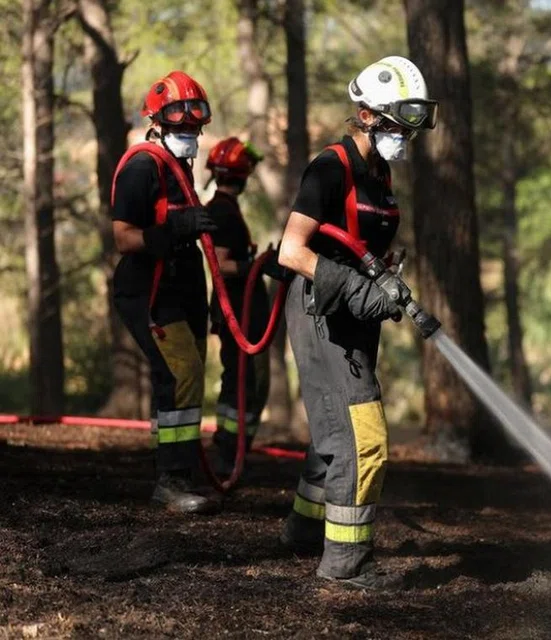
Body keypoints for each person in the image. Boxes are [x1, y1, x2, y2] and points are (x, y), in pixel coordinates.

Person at [274, 55, 438, 589]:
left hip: (354, 315)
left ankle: (305, 528)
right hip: (321, 310)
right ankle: (347, 561)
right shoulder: (330, 168)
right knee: (362, 436)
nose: (403, 138)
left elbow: (364, 246)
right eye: (396, 126)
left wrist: (385, 278)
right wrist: (354, 287)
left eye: (409, 130)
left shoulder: (379, 173)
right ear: (366, 115)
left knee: (333, 425)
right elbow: (291, 251)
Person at [111, 70, 219, 514]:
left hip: (183, 283)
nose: (189, 132)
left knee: (185, 372)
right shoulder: (142, 166)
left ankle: (177, 467)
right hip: (149, 288)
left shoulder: (181, 168)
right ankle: (171, 481)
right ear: (156, 122)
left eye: (195, 124)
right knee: (181, 372)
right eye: (181, 124)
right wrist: (173, 228)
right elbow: (123, 238)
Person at [204, 137, 270, 480]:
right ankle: (228, 451)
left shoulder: (225, 208)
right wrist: (258, 264)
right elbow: (221, 265)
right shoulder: (222, 211)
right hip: (237, 312)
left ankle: (235, 449)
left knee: (246, 380)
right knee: (243, 381)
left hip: (242, 311)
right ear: (241, 175)